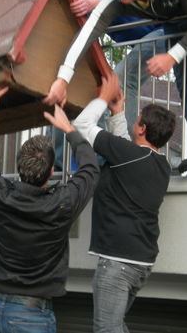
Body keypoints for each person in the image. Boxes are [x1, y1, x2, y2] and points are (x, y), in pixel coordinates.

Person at [45, 0, 187, 175]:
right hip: (172, 20)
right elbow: (86, 35)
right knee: (185, 88)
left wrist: (170, 56)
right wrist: (62, 79)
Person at [0, 74, 100, 333]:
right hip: (31, 316)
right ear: (51, 171)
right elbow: (90, 169)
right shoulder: (61, 203)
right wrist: (70, 131)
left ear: (19, 167)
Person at [72, 72, 176, 332]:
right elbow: (124, 148)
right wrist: (117, 112)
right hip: (140, 262)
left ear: (141, 128)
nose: (135, 119)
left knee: (107, 329)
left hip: (118, 263)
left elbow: (82, 125)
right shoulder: (161, 165)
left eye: (137, 118)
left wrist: (103, 99)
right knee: (115, 326)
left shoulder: (129, 155)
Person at [69, 0, 165, 131]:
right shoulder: (88, 9)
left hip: (162, 32)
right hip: (143, 42)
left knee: (123, 78)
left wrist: (94, 5)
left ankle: (125, 143)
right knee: (105, 85)